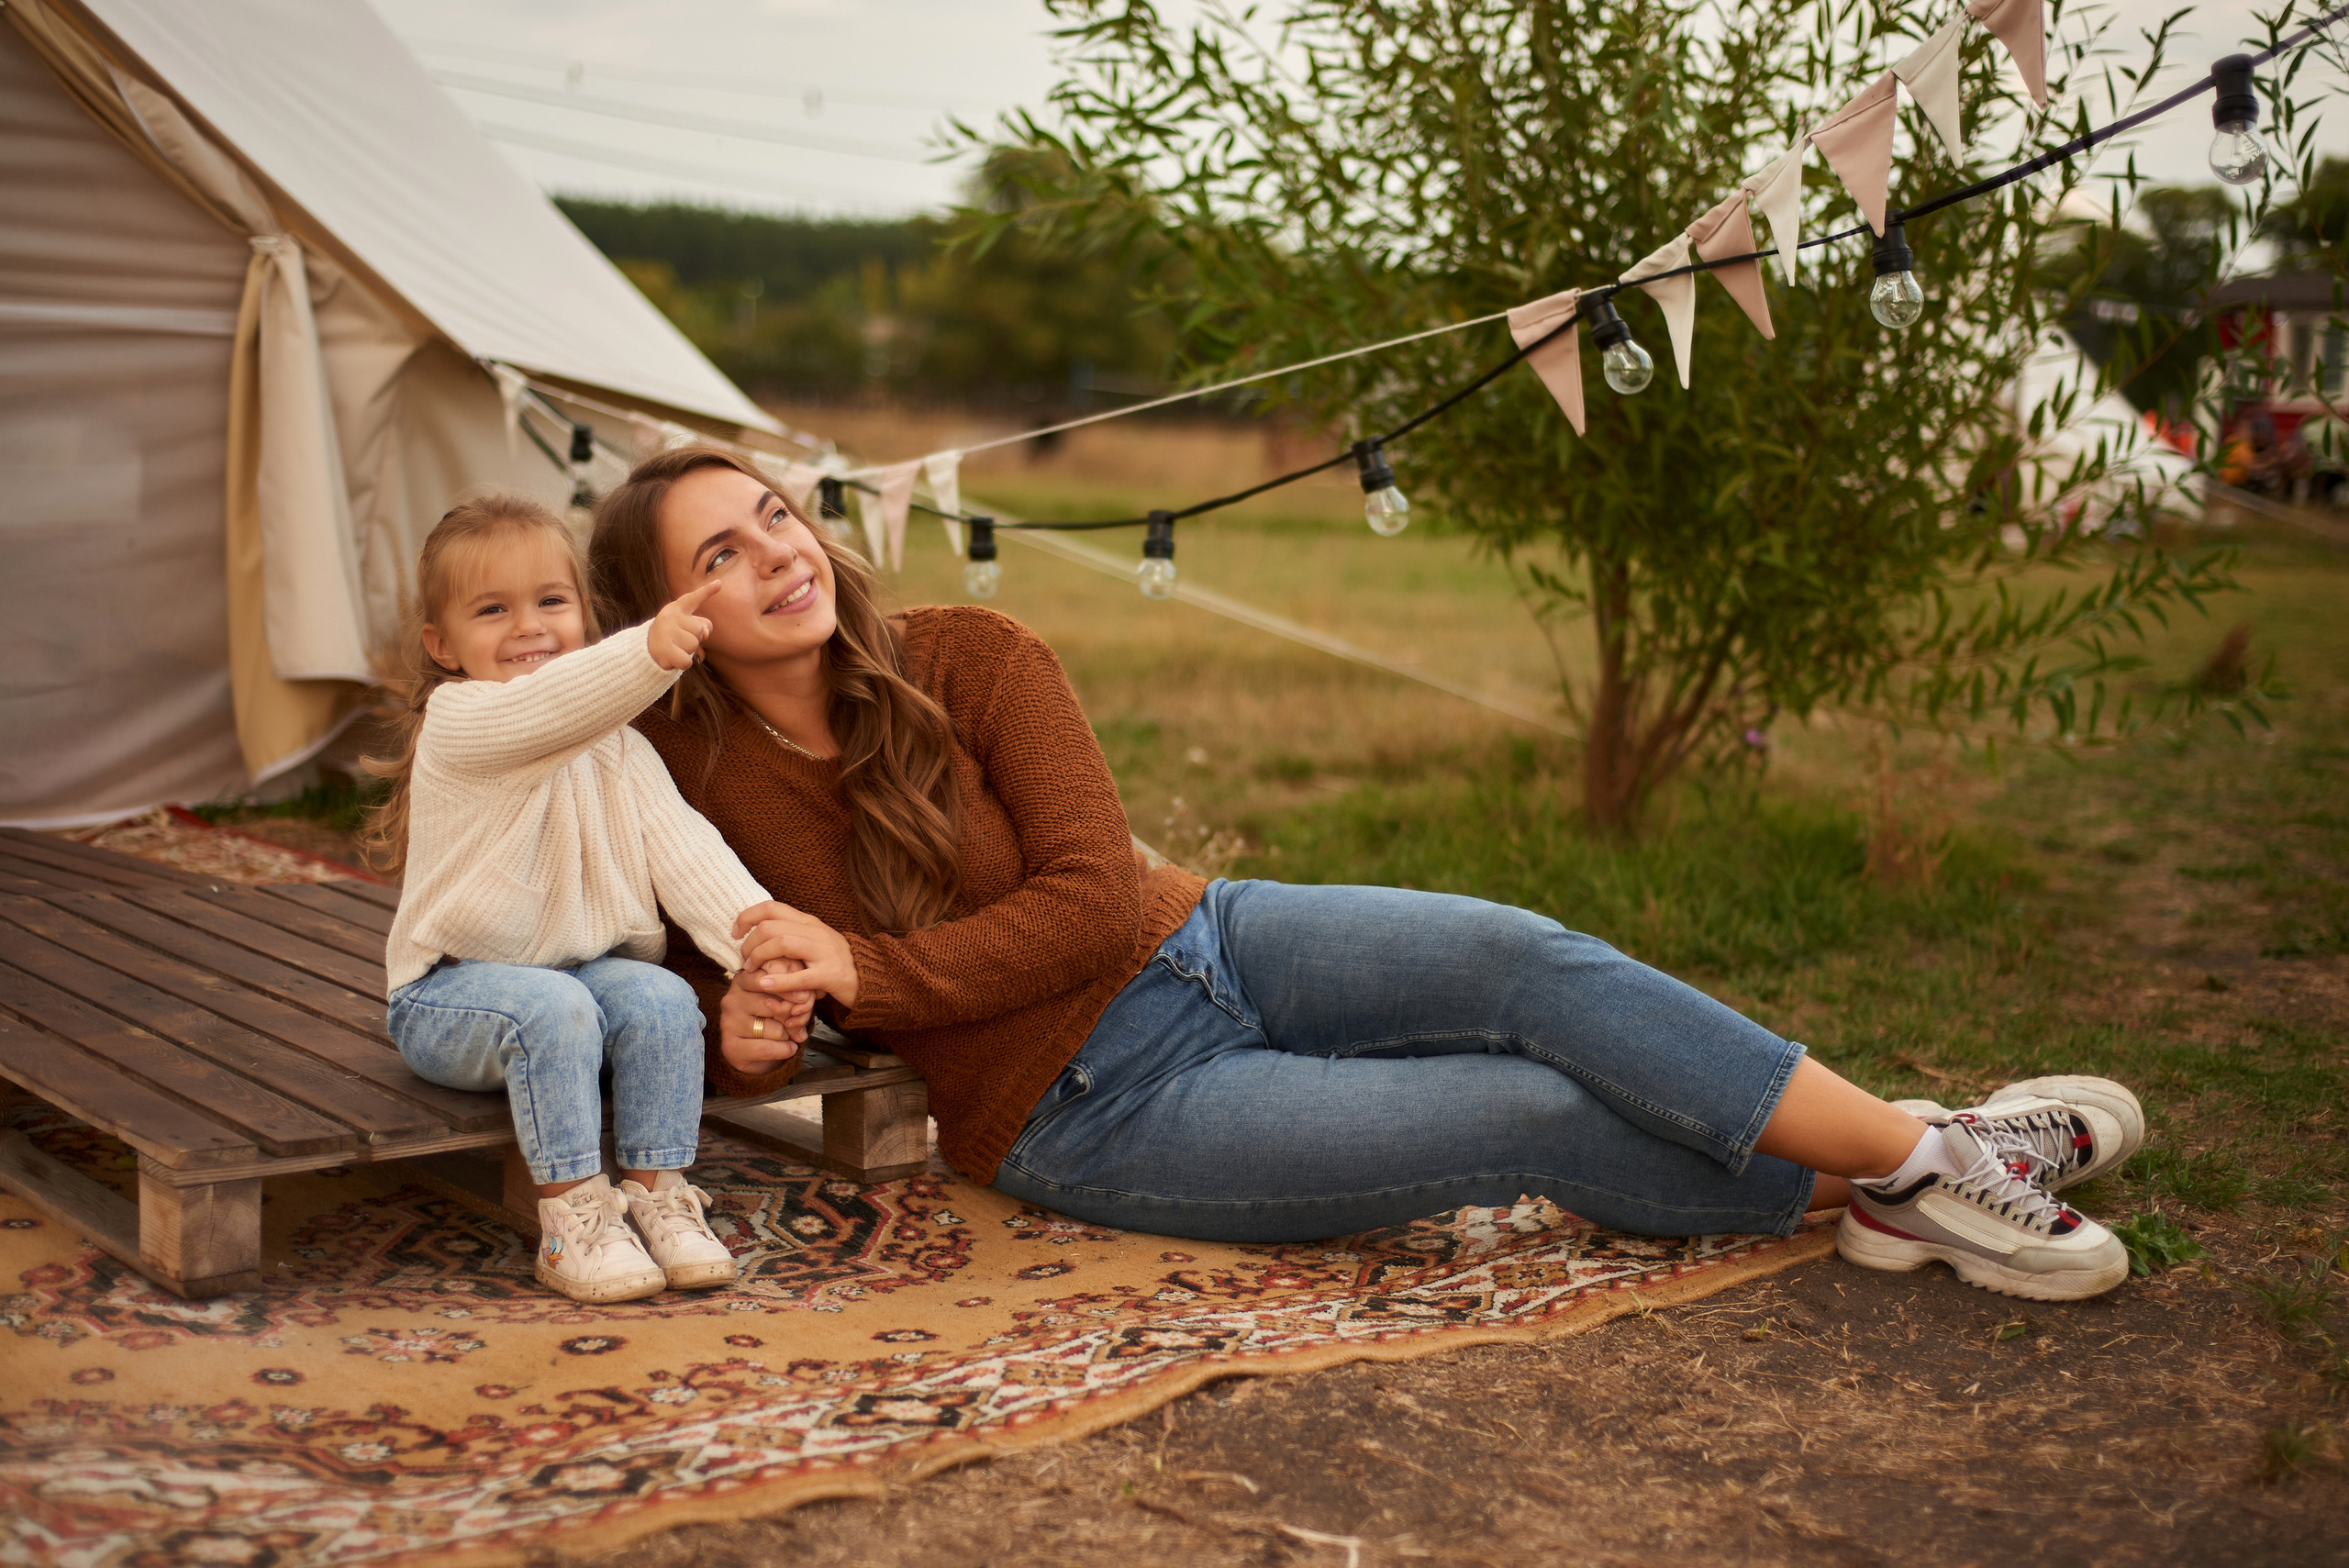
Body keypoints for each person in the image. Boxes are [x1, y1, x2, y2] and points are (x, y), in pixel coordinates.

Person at [590, 448, 2145, 1304]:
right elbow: (721, 984)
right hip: (1089, 1106)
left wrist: (875, 969)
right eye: (717, 551)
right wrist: (756, 1015)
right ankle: (1907, 1178)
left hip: (1212, 938)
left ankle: (1916, 1166)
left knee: (1526, 960)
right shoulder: (675, 779)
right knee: (1523, 1108)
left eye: (776, 512)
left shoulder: (971, 654)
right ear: (667, 615)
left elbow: (1078, 894)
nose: (776, 551)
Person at [366, 494, 812, 1305]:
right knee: (554, 1008)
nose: (529, 625)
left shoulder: (622, 747)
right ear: (443, 644)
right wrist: (646, 651)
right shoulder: (460, 720)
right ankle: (574, 1218)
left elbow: (687, 854)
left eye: (551, 601)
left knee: (661, 994)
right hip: (451, 998)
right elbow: (546, 707)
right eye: (492, 609)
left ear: (584, 614)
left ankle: (659, 1195)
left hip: (581, 980)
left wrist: (763, 947)